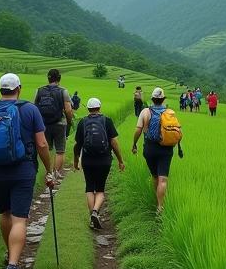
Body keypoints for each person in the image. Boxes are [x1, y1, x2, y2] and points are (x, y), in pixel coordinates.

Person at [0, 73, 53, 269]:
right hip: (23, 169)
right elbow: (42, 144)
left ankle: (10, 255)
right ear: (19, 87)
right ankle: (13, 265)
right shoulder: (30, 109)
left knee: (5, 213)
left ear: (0, 89)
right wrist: (49, 169)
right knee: (20, 218)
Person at [73, 97, 125, 229]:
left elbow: (77, 145)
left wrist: (75, 161)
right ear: (99, 107)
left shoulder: (82, 122)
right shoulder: (106, 121)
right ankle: (96, 212)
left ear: (88, 109)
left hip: (88, 160)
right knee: (100, 189)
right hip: (104, 159)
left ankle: (92, 217)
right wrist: (120, 160)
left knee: (90, 187)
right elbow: (114, 143)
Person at [132, 87, 180, 215]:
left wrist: (134, 144)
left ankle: (157, 201)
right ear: (163, 99)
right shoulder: (170, 112)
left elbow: (138, 130)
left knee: (155, 176)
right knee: (163, 179)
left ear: (152, 99)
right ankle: (160, 207)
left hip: (150, 148)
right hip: (166, 148)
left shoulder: (145, 112)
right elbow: (177, 131)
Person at [34, 68, 75, 181]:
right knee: (60, 150)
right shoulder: (63, 91)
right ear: (59, 78)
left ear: (48, 78)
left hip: (43, 125)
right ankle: (56, 173)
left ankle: (48, 174)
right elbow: (68, 110)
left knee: (46, 148)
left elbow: (34, 108)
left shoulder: (39, 90)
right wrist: (69, 121)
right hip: (59, 123)